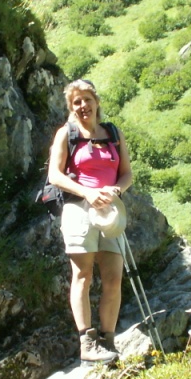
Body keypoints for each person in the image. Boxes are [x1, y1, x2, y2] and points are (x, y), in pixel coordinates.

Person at [48, 79, 133, 364]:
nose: (83, 105)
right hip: (78, 209)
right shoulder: (66, 134)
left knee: (113, 277)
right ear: (71, 108)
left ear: (96, 102)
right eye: (77, 102)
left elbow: (127, 174)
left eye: (87, 99)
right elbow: (54, 175)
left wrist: (115, 190)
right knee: (82, 275)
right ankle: (87, 342)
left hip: (110, 210)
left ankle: (108, 341)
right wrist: (88, 192)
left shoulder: (113, 133)